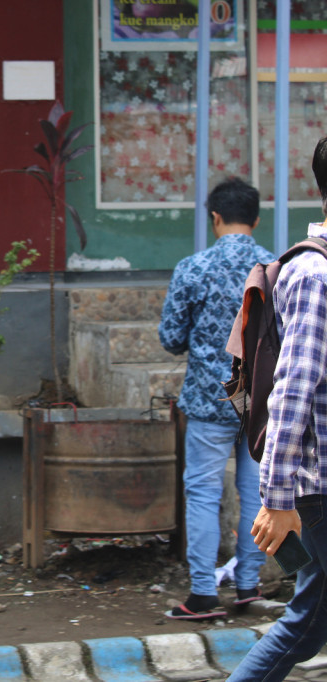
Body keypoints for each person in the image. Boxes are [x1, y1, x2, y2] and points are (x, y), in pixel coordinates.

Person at [226, 138, 327, 680]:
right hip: (321, 486)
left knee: (308, 623)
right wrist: (277, 498)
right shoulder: (315, 275)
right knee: (305, 621)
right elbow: (292, 389)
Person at [159, 177, 273, 620]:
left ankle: (204, 594)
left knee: (203, 493)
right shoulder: (276, 267)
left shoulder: (193, 268)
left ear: (215, 217)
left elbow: (171, 337)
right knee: (256, 493)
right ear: (257, 219)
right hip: (261, 401)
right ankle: (249, 586)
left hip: (209, 401)